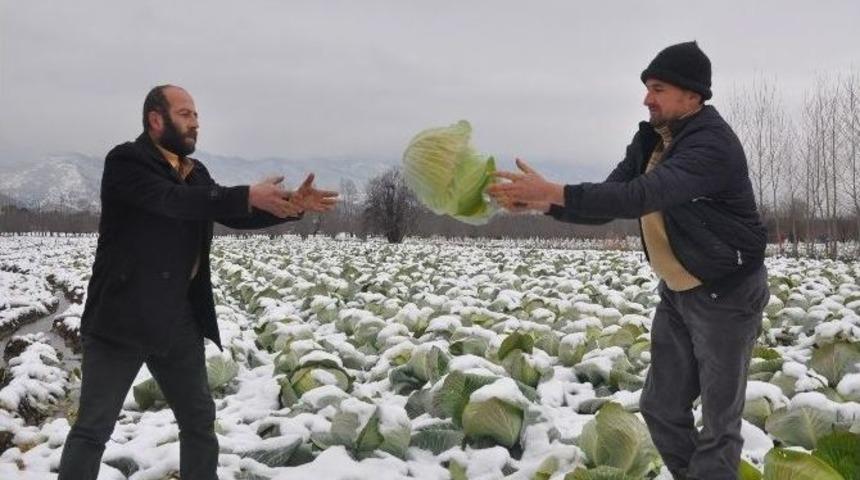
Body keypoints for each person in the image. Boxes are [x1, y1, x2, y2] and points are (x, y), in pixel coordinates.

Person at [488, 42, 769, 480]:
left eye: (657, 88)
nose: (646, 98)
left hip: (726, 293)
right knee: (660, 408)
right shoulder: (652, 140)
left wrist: (554, 190)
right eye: (646, 88)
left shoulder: (712, 145)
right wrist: (543, 205)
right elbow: (608, 199)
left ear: (692, 96)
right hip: (677, 293)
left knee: (719, 425)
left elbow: (643, 195)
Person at [58, 84, 338, 480]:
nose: (196, 123)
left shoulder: (195, 171)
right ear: (157, 120)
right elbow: (172, 201)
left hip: (178, 320)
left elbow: (234, 214)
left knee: (199, 421)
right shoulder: (127, 162)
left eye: (196, 116)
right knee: (93, 429)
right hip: (121, 320)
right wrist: (246, 194)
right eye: (186, 114)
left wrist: (291, 207)